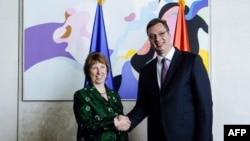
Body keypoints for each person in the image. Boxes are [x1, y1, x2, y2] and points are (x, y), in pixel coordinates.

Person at [122, 18, 213, 141]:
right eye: (152, 36)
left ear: (169, 34)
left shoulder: (192, 62)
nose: (157, 39)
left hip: (186, 137)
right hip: (157, 136)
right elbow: (143, 106)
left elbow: (204, 105)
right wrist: (128, 121)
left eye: (161, 33)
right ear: (149, 40)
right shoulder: (146, 71)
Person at [73, 52, 130, 141]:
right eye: (94, 68)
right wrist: (113, 122)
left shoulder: (114, 95)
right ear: (88, 71)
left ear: (107, 69)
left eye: (102, 67)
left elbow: (120, 124)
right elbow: (85, 125)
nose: (99, 71)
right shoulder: (81, 95)